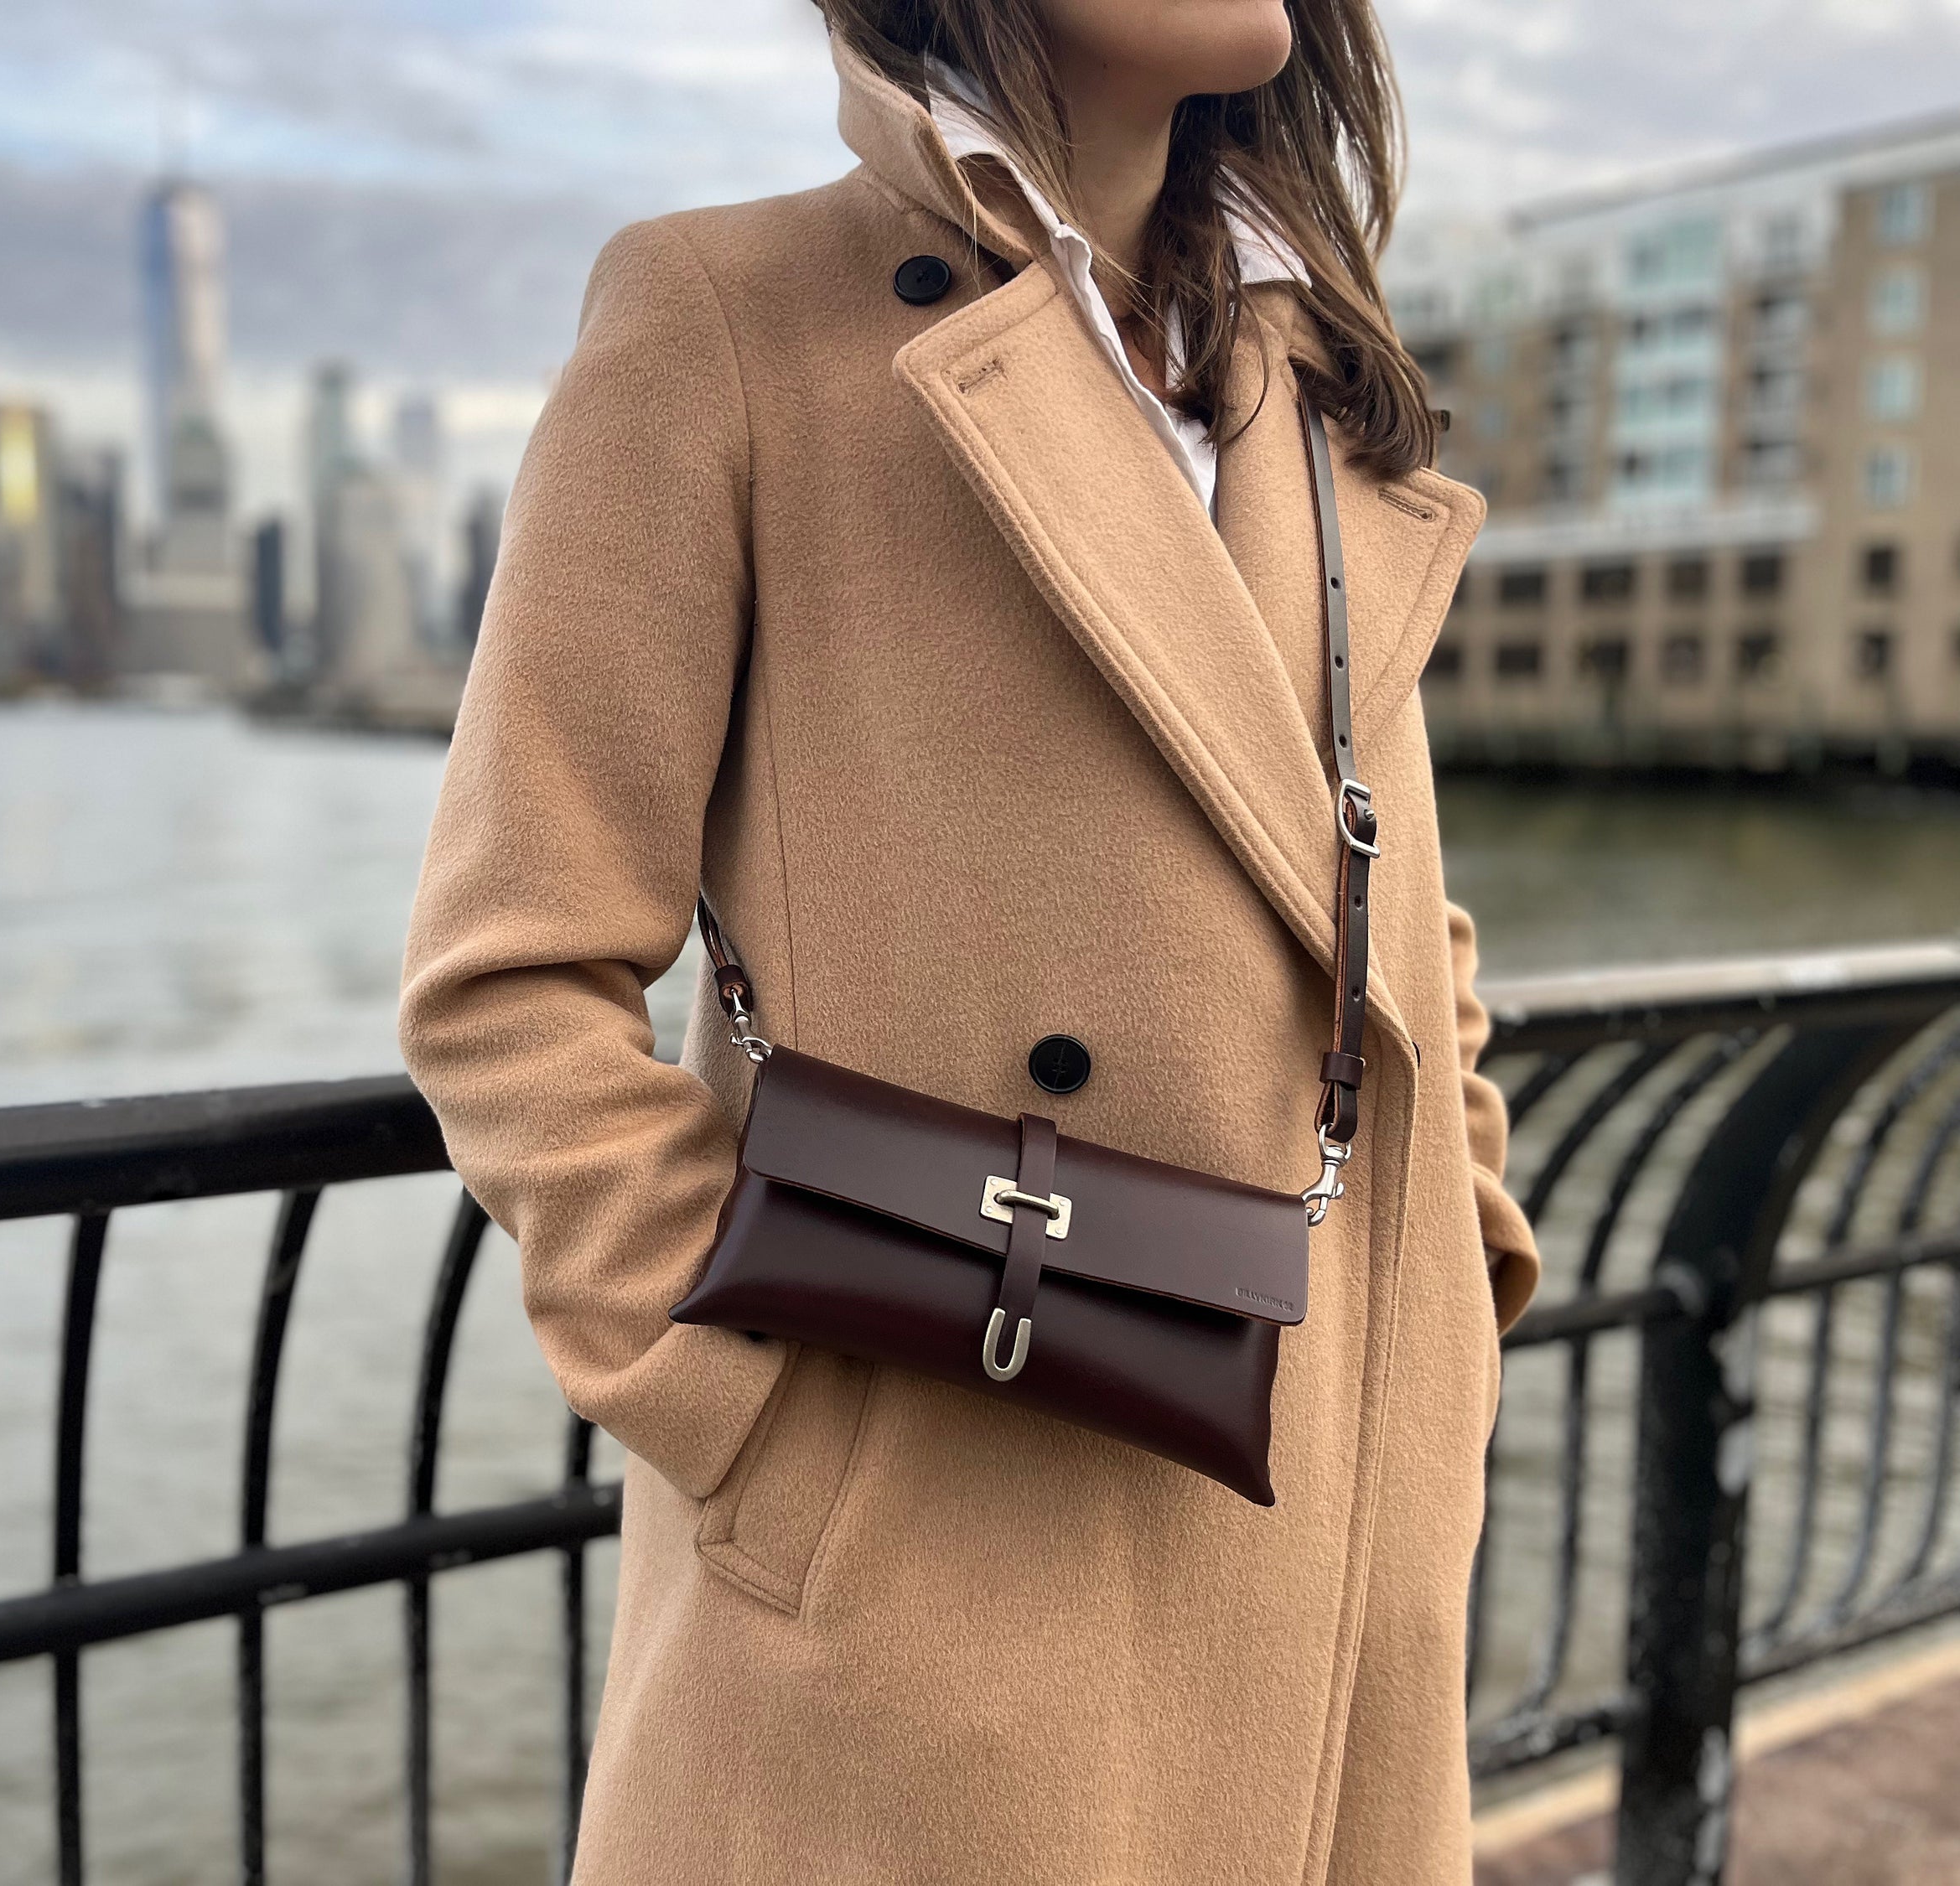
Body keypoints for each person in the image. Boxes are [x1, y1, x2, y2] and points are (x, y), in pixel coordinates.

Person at [398, 1, 1541, 1878]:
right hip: (947, 1568)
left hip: (1338, 1542)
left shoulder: (1306, 383)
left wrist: (1455, 1296)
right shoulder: (729, 321)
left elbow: (1387, 910)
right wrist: (782, 1449)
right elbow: (508, 980)